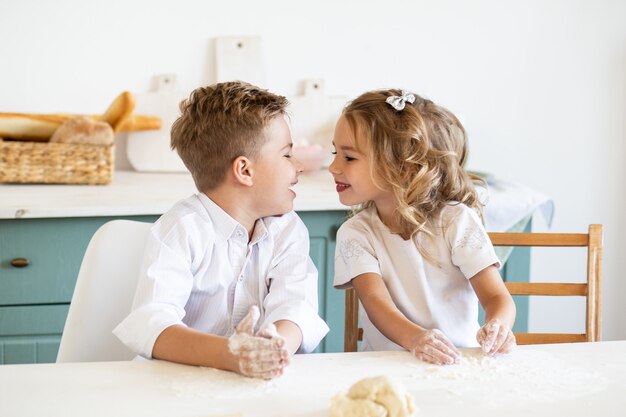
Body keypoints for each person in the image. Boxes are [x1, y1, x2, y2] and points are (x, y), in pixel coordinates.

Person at [114, 81, 329, 379]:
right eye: (287, 154)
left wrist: (273, 347)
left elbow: (295, 307)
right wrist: (231, 354)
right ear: (244, 171)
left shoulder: (288, 229)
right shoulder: (182, 229)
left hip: (256, 380)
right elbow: (153, 323)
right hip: (176, 385)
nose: (299, 166)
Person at [330, 89, 516, 365]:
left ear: (403, 168)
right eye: (336, 153)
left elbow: (496, 296)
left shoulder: (456, 221)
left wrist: (498, 325)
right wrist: (416, 339)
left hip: (459, 362)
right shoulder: (356, 233)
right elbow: (376, 303)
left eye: (349, 157)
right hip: (384, 367)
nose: (333, 167)